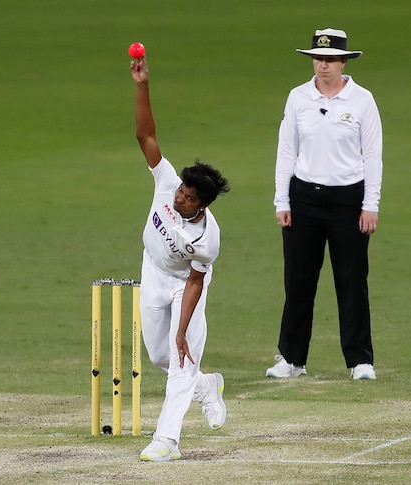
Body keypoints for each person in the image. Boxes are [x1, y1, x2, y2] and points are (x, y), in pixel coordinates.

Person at [130, 55, 231, 462]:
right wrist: (142, 85)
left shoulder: (206, 239)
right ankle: (207, 386)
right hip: (152, 271)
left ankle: (166, 441)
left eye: (188, 198)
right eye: (181, 192)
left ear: (202, 204)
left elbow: (195, 281)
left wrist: (183, 329)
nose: (179, 198)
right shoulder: (167, 181)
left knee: (181, 359)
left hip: (184, 285)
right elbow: (145, 135)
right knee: (159, 355)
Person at [267, 28, 382, 380]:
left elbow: (372, 156)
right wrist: (282, 200)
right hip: (304, 198)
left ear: (344, 62)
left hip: (349, 200)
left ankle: (360, 361)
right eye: (318, 58)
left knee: (352, 280)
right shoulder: (297, 97)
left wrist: (370, 204)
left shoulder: (362, 100)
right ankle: (291, 359)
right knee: (298, 281)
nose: (323, 65)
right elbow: (286, 151)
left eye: (331, 59)